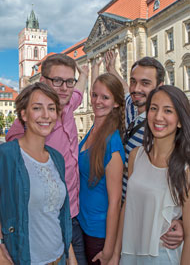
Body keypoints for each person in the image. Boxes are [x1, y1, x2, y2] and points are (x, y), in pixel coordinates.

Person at [6, 53, 88, 264]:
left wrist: (87, 72)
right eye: (57, 81)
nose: (64, 88)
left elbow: (78, 90)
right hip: (31, 242)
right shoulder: (15, 143)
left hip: (69, 224)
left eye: (69, 82)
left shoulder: (68, 105)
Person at [99, 51, 183, 248]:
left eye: (145, 83)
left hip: (149, 218)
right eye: (133, 81)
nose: (137, 89)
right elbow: (127, 90)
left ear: (159, 87)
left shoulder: (163, 125)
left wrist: (181, 222)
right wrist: (112, 69)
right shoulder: (131, 106)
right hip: (123, 209)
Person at [110, 85, 190, 264]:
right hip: (130, 255)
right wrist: (116, 254)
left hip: (163, 258)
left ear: (179, 121)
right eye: (153, 108)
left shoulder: (186, 168)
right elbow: (127, 207)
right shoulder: (135, 156)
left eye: (168, 110)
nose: (158, 116)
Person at [0, 82, 73, 264]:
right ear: (23, 114)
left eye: (51, 108)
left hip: (60, 258)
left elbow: (60, 215)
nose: (46, 115)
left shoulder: (56, 158)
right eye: (37, 108)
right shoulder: (6, 155)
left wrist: (71, 259)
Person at [77, 73, 126, 265]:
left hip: (98, 233)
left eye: (105, 97)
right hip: (83, 223)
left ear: (115, 103)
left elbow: (115, 202)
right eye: (95, 95)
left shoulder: (112, 143)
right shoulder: (94, 129)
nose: (97, 101)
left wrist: (109, 250)